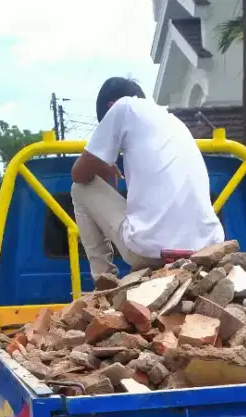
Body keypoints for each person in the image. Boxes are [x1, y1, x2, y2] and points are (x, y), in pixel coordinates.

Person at [71, 77, 224, 280]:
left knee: (79, 188)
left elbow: (79, 173)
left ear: (111, 106)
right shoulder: (174, 121)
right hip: (207, 252)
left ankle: (104, 280)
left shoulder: (122, 108)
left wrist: (102, 164)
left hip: (151, 254)